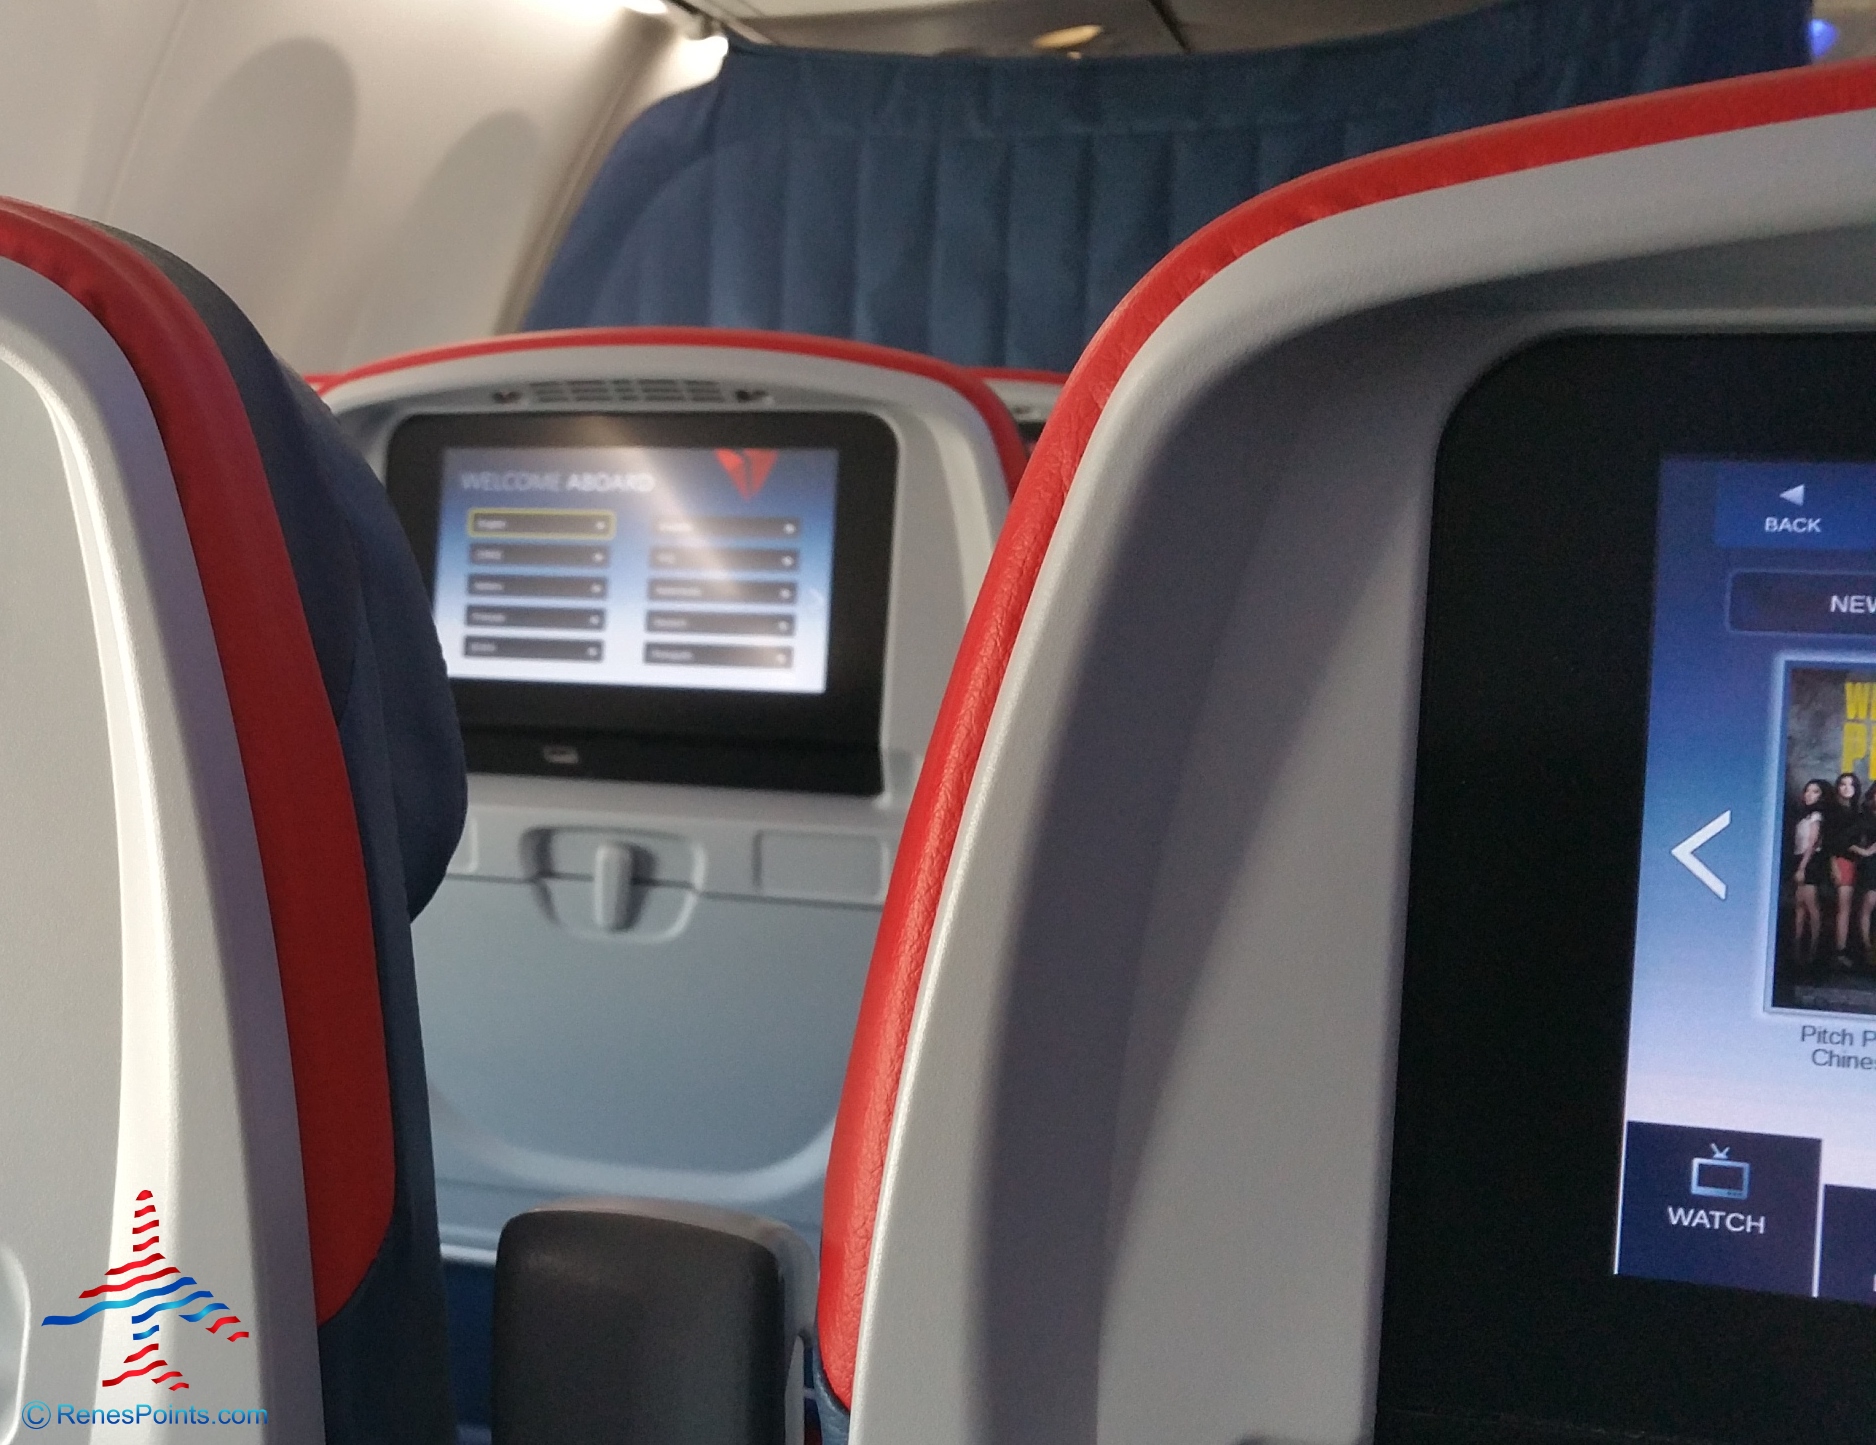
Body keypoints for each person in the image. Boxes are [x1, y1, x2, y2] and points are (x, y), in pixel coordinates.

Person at [1825, 772, 1864, 967]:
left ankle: (1845, 950)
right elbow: (1829, 841)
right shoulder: (1833, 811)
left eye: (1851, 785)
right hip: (1842, 861)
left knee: (1850, 908)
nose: (1847, 788)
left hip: (1856, 863)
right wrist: (1834, 865)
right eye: (1843, 784)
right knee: (1843, 909)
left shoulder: (1857, 812)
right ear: (1837, 787)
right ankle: (1839, 951)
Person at [1794, 778, 1829, 971]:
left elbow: (1813, 842)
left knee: (1811, 906)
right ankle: (1797, 949)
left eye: (1815, 791)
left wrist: (1802, 867)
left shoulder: (1816, 815)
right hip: (1800, 858)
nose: (1809, 795)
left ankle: (1814, 950)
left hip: (1810, 861)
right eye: (1807, 790)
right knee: (1800, 906)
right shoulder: (1804, 816)